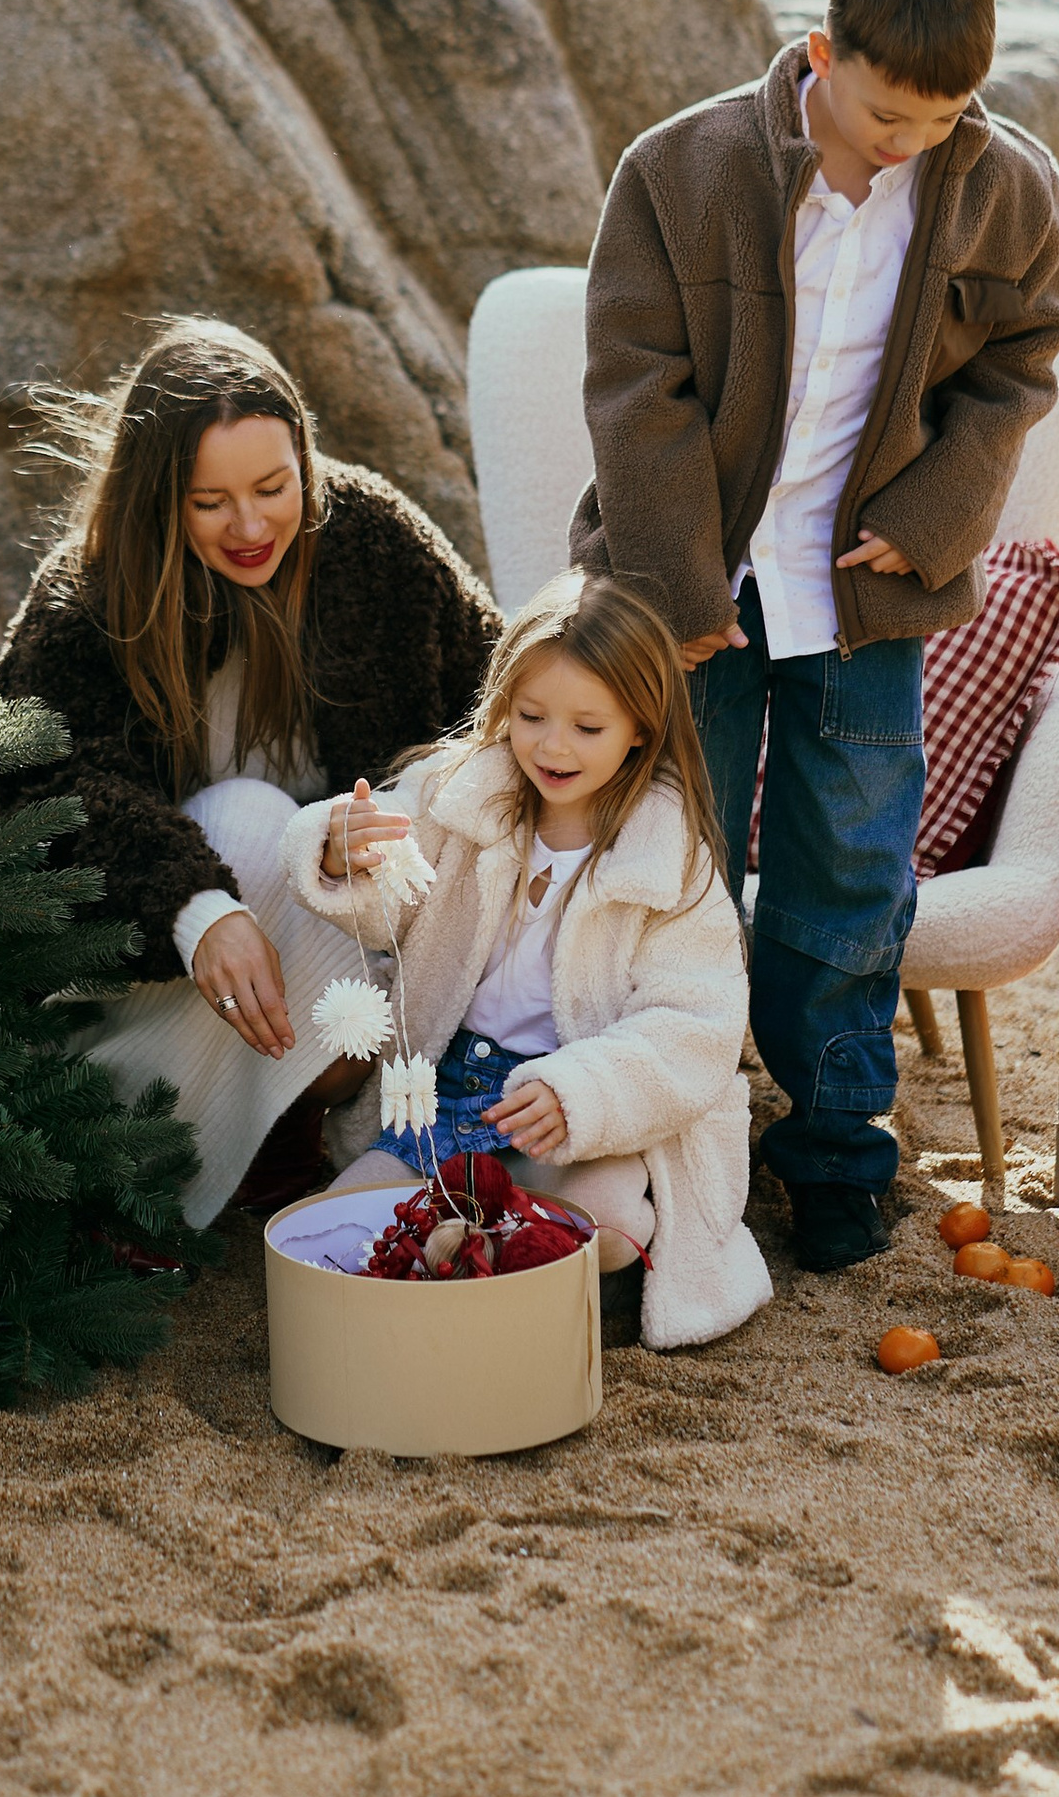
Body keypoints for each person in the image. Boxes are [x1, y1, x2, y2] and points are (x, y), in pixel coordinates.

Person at [572, 0, 1059, 1269]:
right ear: (820, 56)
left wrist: (935, 520)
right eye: (886, 111)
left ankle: (837, 1156)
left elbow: (1022, 363)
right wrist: (671, 581)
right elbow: (636, 383)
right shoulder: (682, 170)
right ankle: (665, 1139)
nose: (913, 141)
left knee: (848, 874)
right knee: (670, 872)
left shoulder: (1005, 186)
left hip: (867, 595)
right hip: (699, 588)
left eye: (947, 115)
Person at [0, 320, 499, 1225]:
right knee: (245, 819)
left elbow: (494, 699)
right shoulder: (91, 594)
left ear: (306, 460)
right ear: (157, 500)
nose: (252, 524)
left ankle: (261, 1135)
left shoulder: (372, 542)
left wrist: (392, 820)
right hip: (155, 964)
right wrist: (197, 908)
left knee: (282, 842)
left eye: (274, 486)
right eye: (210, 501)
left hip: (356, 945)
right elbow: (48, 791)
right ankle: (143, 1156)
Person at [281, 571, 770, 1351]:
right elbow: (389, 907)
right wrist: (343, 853)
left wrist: (580, 1089)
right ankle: (464, 1258)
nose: (552, 746)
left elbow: (695, 1027)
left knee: (605, 1223)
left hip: (570, 1111)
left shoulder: (669, 859)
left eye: (588, 726)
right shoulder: (457, 795)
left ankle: (518, 1263)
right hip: (442, 1096)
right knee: (345, 1227)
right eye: (532, 716)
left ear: (640, 727)